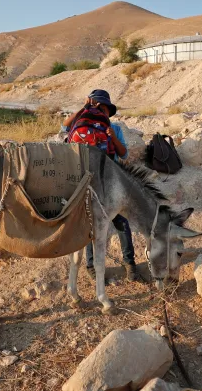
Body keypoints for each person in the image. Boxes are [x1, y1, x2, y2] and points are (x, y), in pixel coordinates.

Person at [62, 89, 137, 281]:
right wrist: (83, 108)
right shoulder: (79, 124)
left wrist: (111, 136)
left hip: (110, 183)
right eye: (96, 106)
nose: (99, 111)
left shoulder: (115, 128)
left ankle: (130, 264)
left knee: (121, 222)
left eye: (102, 108)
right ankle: (91, 266)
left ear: (108, 111)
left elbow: (124, 155)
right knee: (90, 225)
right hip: (87, 183)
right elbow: (64, 126)